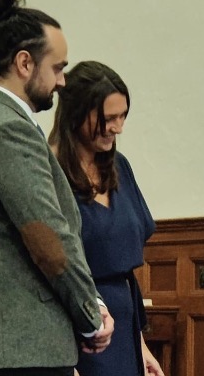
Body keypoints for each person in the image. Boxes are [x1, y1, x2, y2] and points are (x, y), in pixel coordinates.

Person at [0, 0, 113, 376]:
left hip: (11, 347)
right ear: (25, 63)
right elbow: (50, 241)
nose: (63, 82)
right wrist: (90, 315)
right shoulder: (7, 130)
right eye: (57, 68)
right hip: (25, 350)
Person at [47, 61, 164, 376]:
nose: (118, 127)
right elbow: (52, 271)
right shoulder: (49, 174)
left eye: (123, 115)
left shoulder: (120, 167)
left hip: (123, 329)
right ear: (76, 114)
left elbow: (125, 274)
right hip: (78, 333)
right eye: (109, 118)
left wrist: (139, 343)